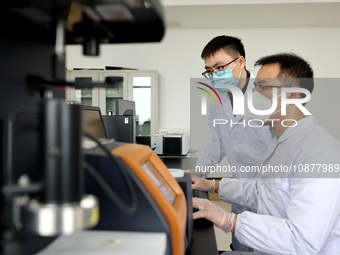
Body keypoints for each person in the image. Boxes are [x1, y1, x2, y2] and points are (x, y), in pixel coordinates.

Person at [192, 53, 340, 255]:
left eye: (263, 87)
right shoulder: (282, 142)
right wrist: (212, 185)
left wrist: (231, 221)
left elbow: (303, 241)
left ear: (294, 95)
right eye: (255, 88)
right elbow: (264, 191)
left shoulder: (317, 151)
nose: (252, 96)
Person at [194, 35, 272, 251]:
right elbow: (217, 142)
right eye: (209, 70)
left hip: (272, 197)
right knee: (240, 246)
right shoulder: (219, 100)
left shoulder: (269, 95)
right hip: (240, 192)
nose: (215, 75)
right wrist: (198, 173)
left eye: (220, 67)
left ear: (240, 62)